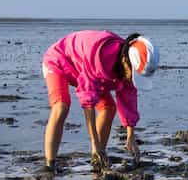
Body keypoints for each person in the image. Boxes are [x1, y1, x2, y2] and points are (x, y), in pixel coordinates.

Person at [41, 30, 159, 171]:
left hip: (84, 68)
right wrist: (94, 142)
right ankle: (50, 164)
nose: (131, 78)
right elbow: (88, 103)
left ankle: (98, 157)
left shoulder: (127, 66)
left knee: (109, 107)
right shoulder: (98, 58)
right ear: (125, 61)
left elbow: (128, 100)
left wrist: (131, 137)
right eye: (133, 74)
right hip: (58, 60)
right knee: (61, 106)